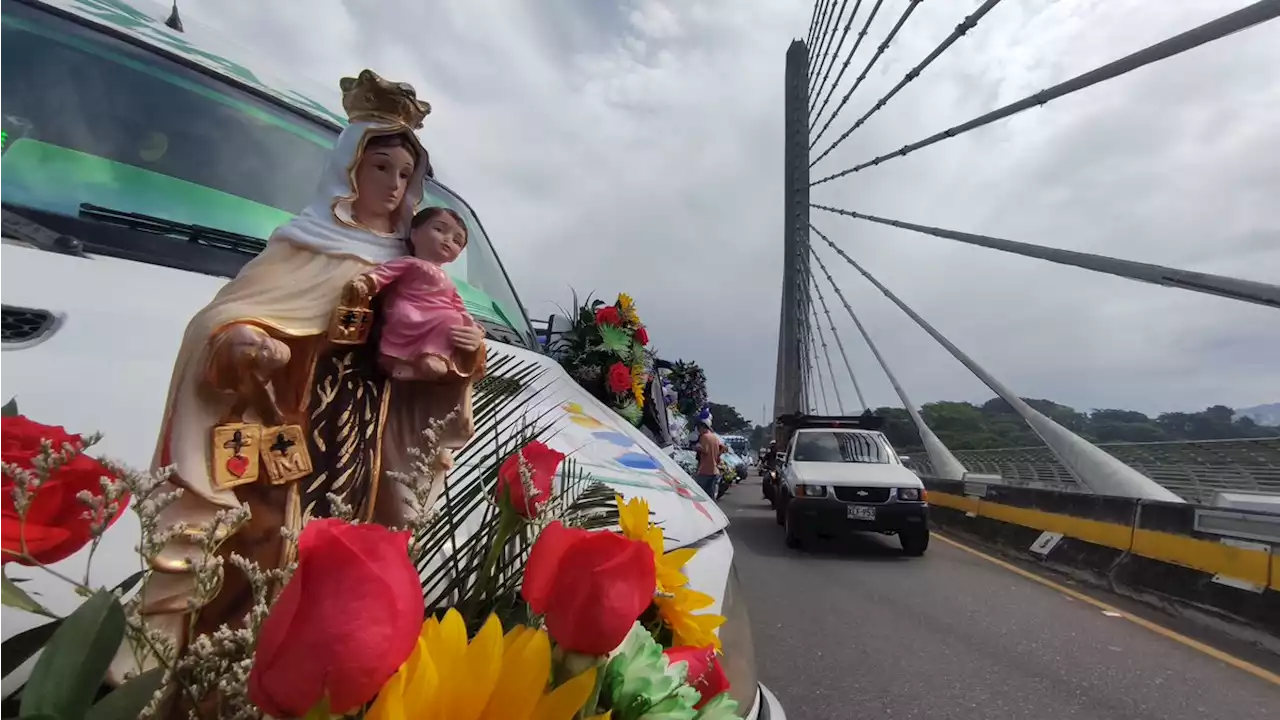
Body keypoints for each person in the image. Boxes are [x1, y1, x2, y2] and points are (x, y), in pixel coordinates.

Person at [108, 70, 486, 696]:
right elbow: (222, 319)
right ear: (349, 170)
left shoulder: (413, 263)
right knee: (262, 549)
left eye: (403, 174)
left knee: (344, 557)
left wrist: (464, 357)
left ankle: (317, 681)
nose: (392, 186)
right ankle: (220, 682)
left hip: (364, 432)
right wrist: (243, 343)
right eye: (380, 167)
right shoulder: (305, 244)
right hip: (285, 423)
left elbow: (437, 340)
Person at [356, 206, 481, 382]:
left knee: (452, 319)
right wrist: (367, 282)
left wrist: (472, 328)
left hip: (439, 314)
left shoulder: (449, 281)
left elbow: (458, 305)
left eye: (457, 240)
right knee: (403, 313)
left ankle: (434, 356)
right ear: (414, 234)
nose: (447, 239)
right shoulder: (410, 263)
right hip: (410, 305)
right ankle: (396, 360)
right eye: (439, 229)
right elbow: (385, 273)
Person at [694, 423, 727, 499]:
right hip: (714, 470)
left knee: (699, 493)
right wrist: (717, 455)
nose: (699, 432)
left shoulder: (704, 437)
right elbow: (723, 447)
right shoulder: (714, 437)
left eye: (699, 429)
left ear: (702, 428)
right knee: (711, 495)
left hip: (704, 470)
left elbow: (705, 450)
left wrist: (697, 448)